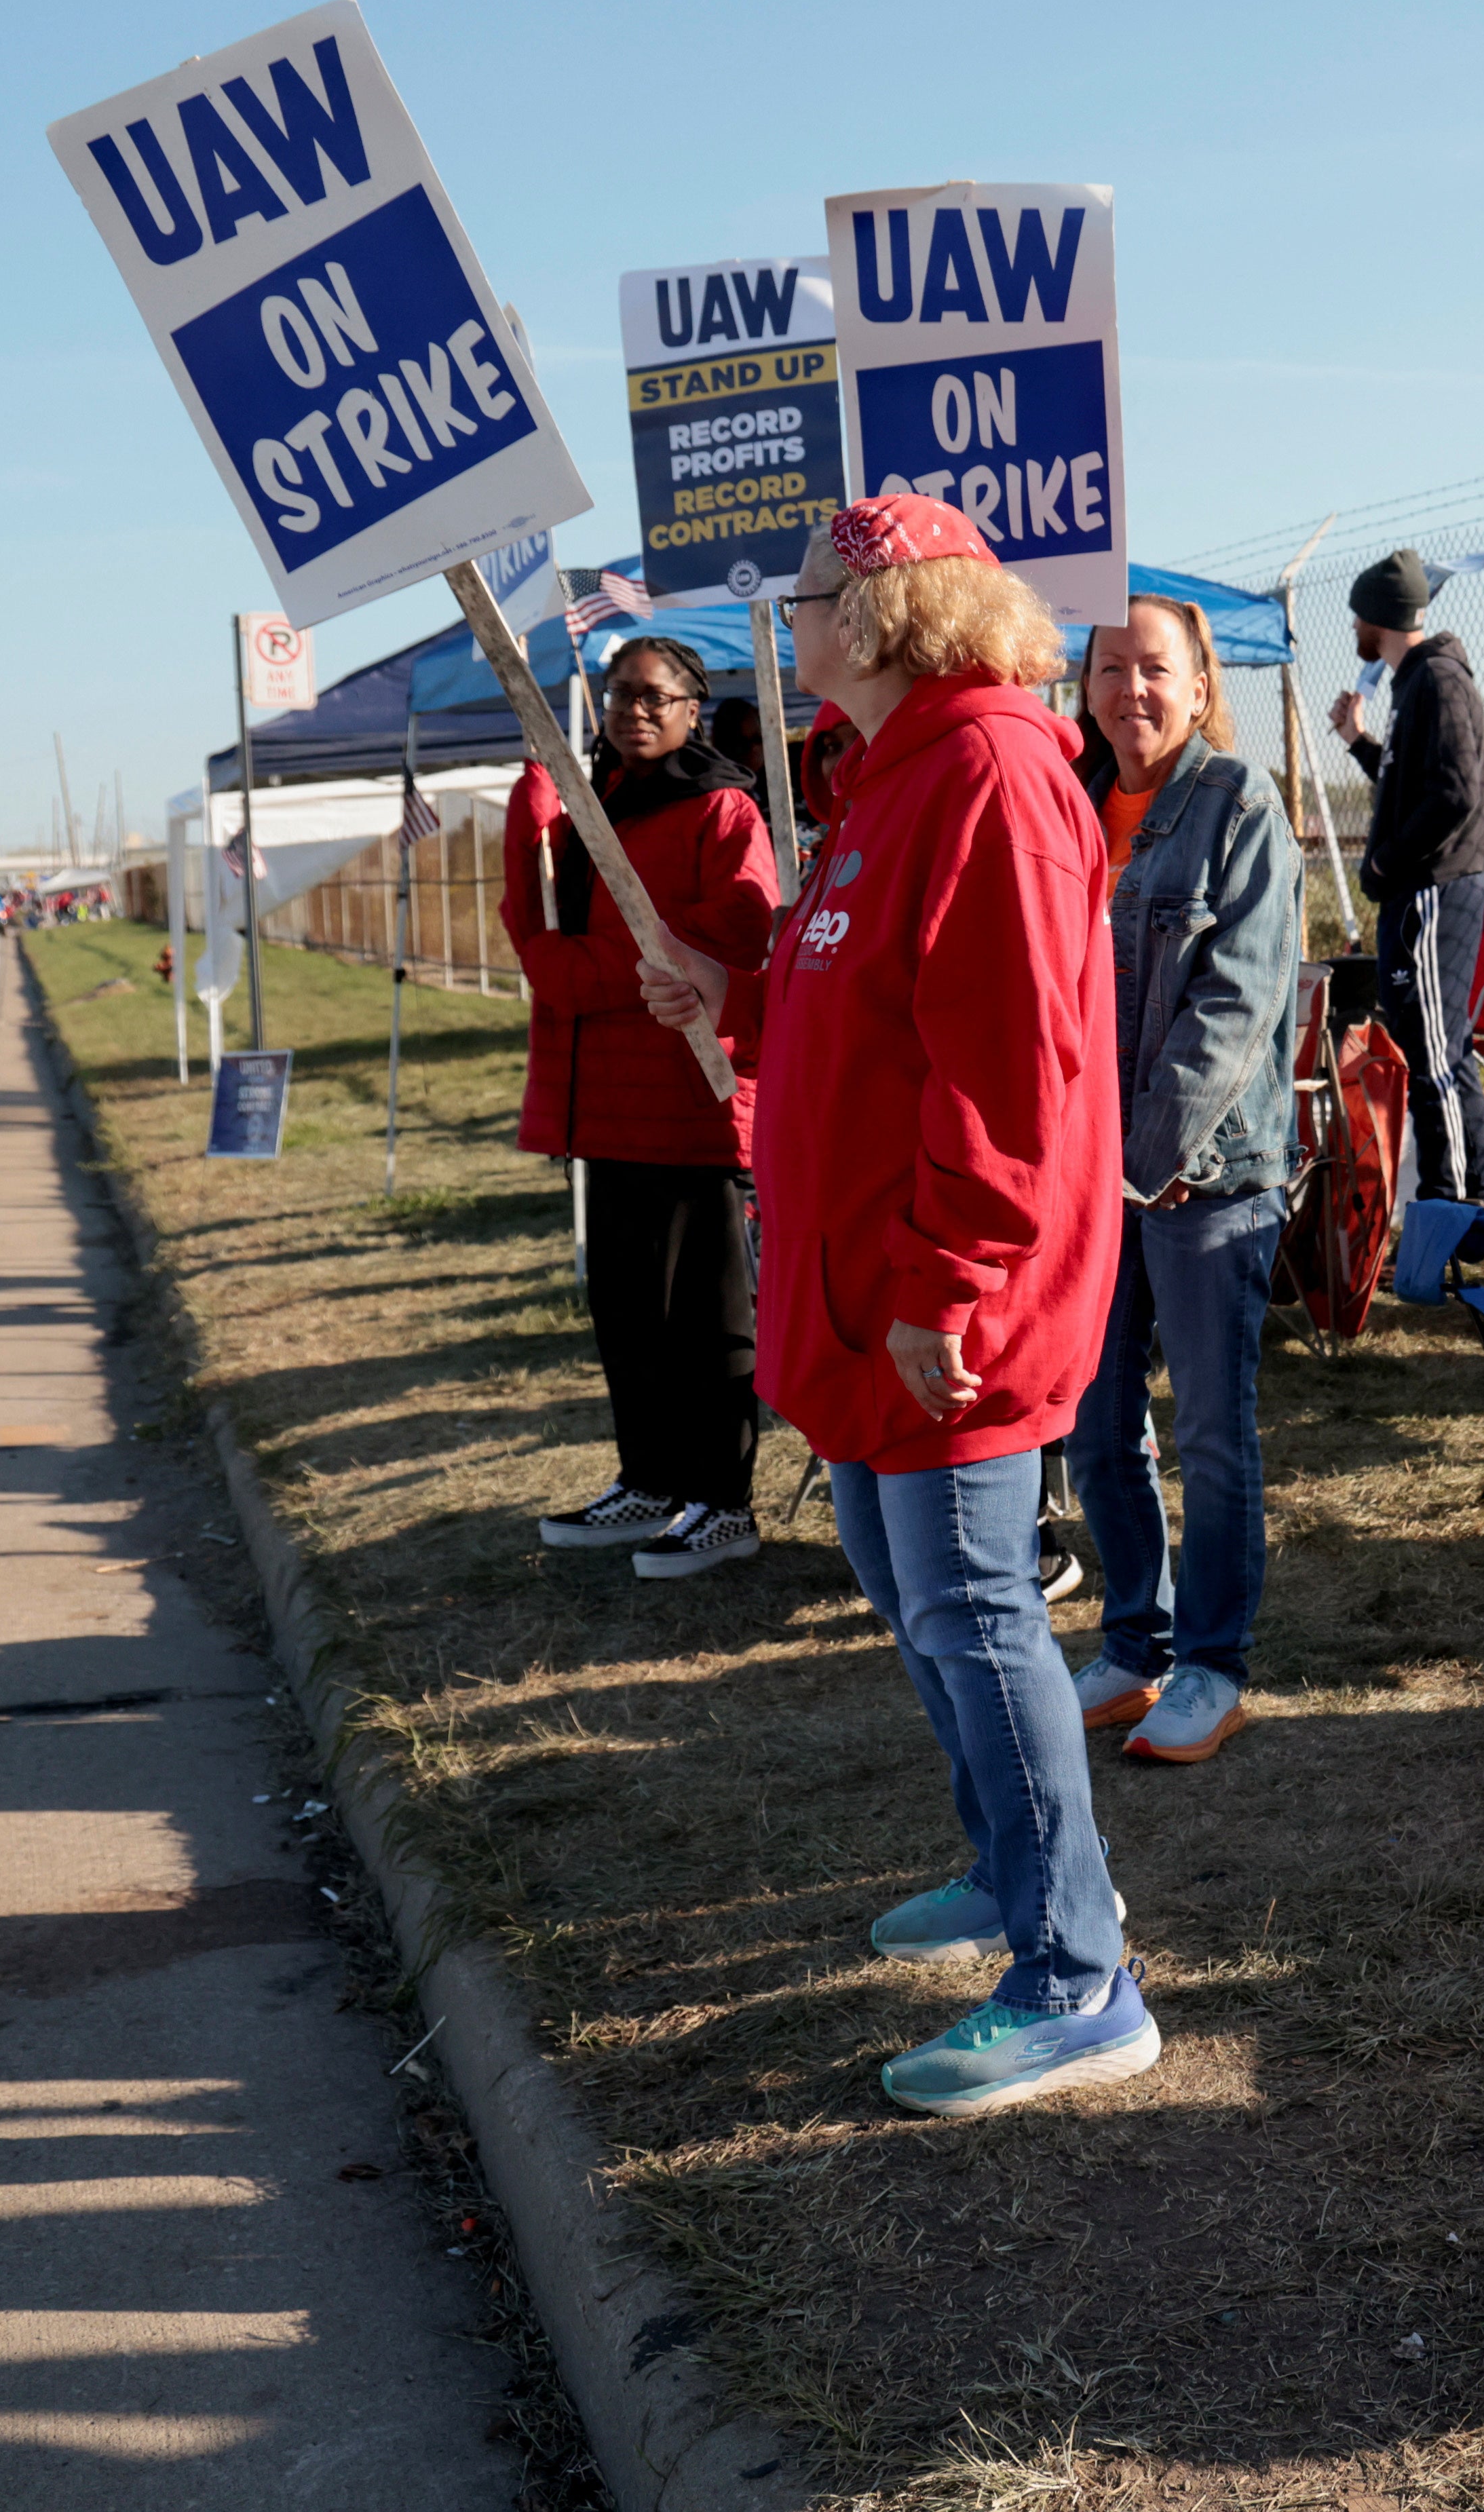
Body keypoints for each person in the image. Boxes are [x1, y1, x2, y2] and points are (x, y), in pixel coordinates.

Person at [641, 495, 1152, 2116]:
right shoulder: (885, 783)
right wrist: (728, 1001)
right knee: (910, 1590)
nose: (780, 625)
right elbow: (850, 1029)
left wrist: (949, 1276)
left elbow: (1009, 1065)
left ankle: (1078, 1975)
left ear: (880, 612)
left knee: (974, 1609)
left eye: (802, 599)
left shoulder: (989, 772)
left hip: (943, 1293)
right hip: (863, 1286)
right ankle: (1014, 1874)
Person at [1059, 596, 1306, 1766]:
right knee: (1094, 1427)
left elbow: (1236, 1009)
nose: (1132, 692)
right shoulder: (1064, 804)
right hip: (1081, 1179)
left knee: (1211, 1436)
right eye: (1113, 669)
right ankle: (1134, 1645)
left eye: (1155, 669)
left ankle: (1212, 1666)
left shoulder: (1237, 805)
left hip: (1203, 1178)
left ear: (1201, 684)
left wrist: (1129, 1159)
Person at [503, 634, 777, 1580]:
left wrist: (580, 975)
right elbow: (533, 921)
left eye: (658, 697)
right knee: (625, 1309)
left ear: (695, 707)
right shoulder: (592, 806)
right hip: (605, 1100)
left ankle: (723, 1501)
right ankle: (651, 1477)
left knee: (705, 1312)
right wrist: (531, 801)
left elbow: (735, 933)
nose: (636, 711)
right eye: (620, 695)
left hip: (687, 1098)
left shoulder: (722, 805)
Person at [1329, 549, 1484, 1209]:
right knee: (1437, 1056)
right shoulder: (1415, 684)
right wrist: (1357, 741)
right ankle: (1459, 1203)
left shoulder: (1439, 682)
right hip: (1418, 892)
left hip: (1431, 891)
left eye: (1357, 618)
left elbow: (1455, 794)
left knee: (1432, 1063)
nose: (1353, 631)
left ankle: (1448, 1206)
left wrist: (1384, 863)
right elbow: (1412, 790)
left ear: (1381, 617)